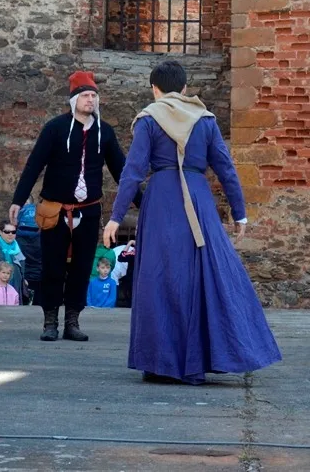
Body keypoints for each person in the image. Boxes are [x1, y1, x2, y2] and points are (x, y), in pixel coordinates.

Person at [103, 60, 282, 385]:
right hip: (198, 201)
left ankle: (160, 362)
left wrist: (115, 217)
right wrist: (239, 212)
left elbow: (133, 172)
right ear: (185, 88)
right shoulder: (205, 119)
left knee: (159, 278)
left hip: (161, 201)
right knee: (203, 275)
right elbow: (226, 169)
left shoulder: (149, 119)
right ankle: (204, 357)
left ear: (155, 89)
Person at [8, 71, 137, 342]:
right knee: (52, 266)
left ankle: (72, 321)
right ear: (74, 99)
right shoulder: (55, 129)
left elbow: (122, 171)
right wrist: (18, 199)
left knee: (81, 267)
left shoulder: (104, 132)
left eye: (94, 96)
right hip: (55, 210)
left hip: (88, 211)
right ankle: (50, 321)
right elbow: (34, 165)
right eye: (86, 95)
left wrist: (143, 204)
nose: (91, 100)